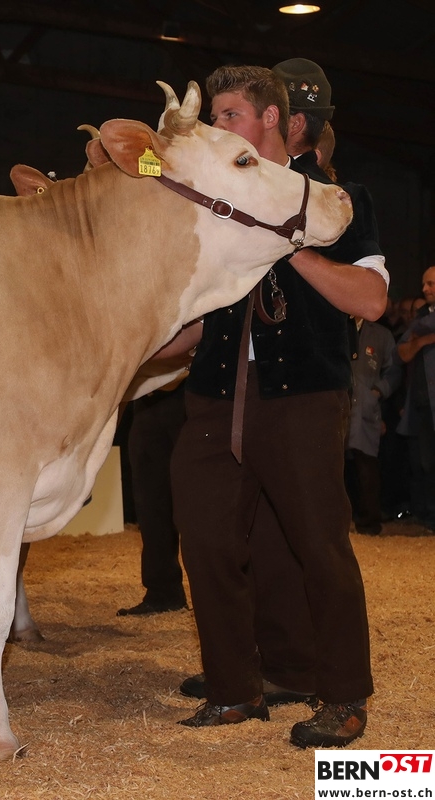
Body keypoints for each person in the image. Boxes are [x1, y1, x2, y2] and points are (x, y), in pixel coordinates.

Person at [170, 60, 387, 749]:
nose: (217, 127)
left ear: (271, 118)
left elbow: (370, 300)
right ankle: (235, 689)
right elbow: (201, 318)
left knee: (318, 546)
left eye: (229, 115)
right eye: (215, 117)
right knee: (206, 540)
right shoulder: (210, 202)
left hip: (302, 398)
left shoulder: (337, 200)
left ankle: (343, 695)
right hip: (213, 396)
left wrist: (287, 241)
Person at [117, 376, 188, 615]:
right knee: (150, 504)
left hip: (189, 393)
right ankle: (163, 592)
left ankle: (212, 595)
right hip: (146, 397)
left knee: (195, 507)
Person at [345, 316, 402, 534]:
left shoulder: (381, 334)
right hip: (338, 406)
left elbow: (394, 370)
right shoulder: (337, 325)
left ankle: (369, 521)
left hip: (366, 409)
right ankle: (339, 520)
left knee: (367, 466)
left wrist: (378, 392)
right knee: (335, 466)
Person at [395, 265, 435, 530]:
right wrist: (422, 341)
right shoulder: (421, 316)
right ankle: (428, 517)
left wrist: (420, 336)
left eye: (430, 284)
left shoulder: (421, 321)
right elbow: (402, 353)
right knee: (425, 463)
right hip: (423, 402)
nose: (424, 289)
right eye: (423, 284)